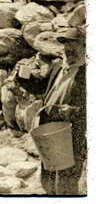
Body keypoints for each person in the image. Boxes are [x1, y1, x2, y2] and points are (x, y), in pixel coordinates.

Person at [17, 27, 86, 195]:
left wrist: (73, 111)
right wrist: (24, 76)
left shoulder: (87, 72)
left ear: (84, 46)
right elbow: (40, 87)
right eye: (65, 44)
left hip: (71, 133)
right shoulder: (57, 66)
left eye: (74, 45)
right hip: (49, 130)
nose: (69, 49)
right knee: (47, 177)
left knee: (66, 181)